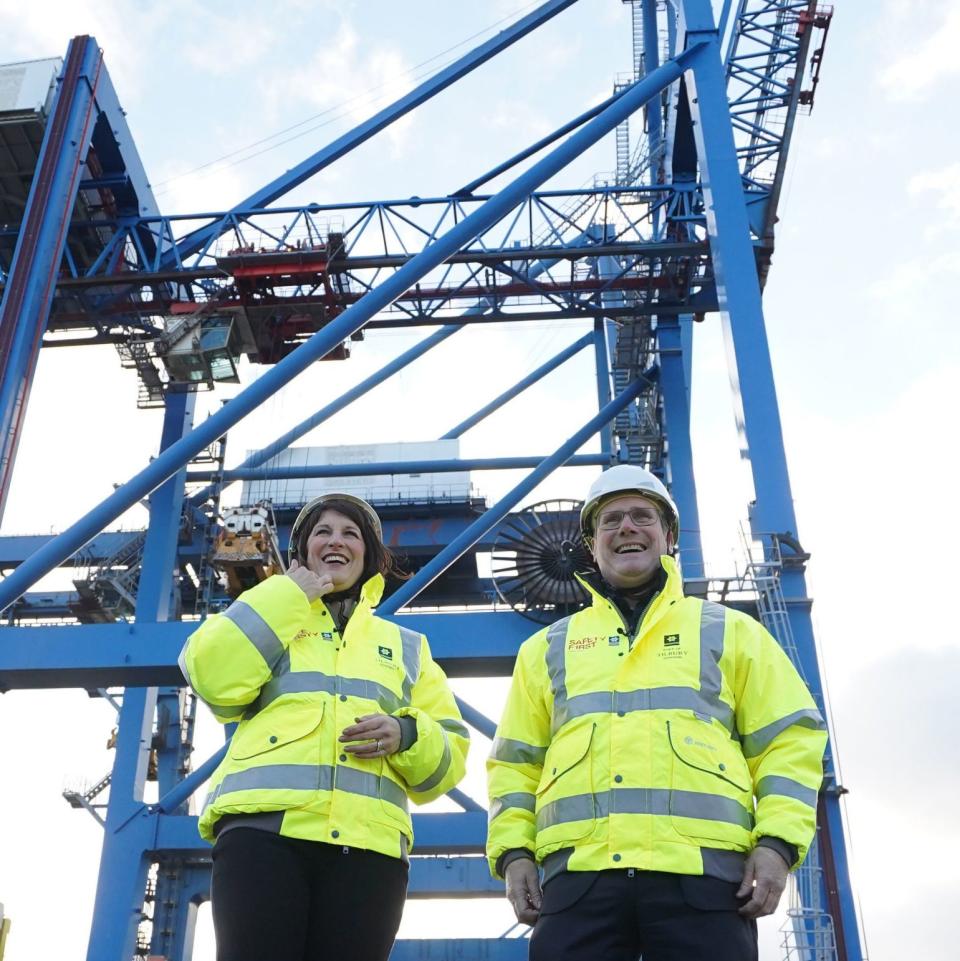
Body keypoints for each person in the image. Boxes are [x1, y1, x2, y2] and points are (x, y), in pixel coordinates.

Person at [486, 465, 826, 961]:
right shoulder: (546, 649)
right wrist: (514, 854)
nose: (626, 527)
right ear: (592, 543)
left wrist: (777, 844)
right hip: (579, 880)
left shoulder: (730, 632)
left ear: (668, 537)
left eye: (642, 516)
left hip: (705, 879)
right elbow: (515, 763)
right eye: (611, 519)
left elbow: (790, 740)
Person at [180, 492, 470, 961]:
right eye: (323, 532)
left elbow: (448, 762)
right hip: (264, 836)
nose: (336, 542)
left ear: (369, 556)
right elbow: (211, 677)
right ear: (302, 553)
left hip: (368, 850)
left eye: (350, 533)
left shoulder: (408, 646)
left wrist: (407, 734)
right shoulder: (268, 613)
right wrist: (288, 595)